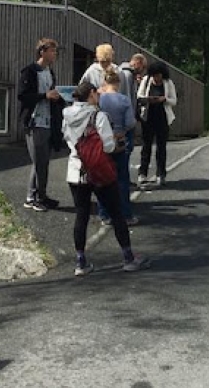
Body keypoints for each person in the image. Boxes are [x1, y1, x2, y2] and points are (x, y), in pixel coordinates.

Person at [62, 82, 149, 276]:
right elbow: (108, 147)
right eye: (98, 94)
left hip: (76, 171)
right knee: (116, 213)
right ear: (91, 94)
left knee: (81, 215)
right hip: (98, 171)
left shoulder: (66, 115)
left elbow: (67, 140)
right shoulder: (98, 116)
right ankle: (128, 258)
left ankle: (80, 262)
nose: (99, 97)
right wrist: (118, 143)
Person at [18, 38, 65, 212]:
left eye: (55, 51)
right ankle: (36, 198)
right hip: (34, 121)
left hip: (48, 122)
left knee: (43, 161)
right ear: (42, 52)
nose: (55, 54)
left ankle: (38, 196)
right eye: (52, 51)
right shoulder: (29, 71)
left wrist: (59, 97)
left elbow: (51, 94)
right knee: (39, 162)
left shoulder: (50, 73)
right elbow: (23, 96)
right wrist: (44, 95)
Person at [98, 70, 137, 225]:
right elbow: (130, 123)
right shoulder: (124, 100)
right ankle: (125, 214)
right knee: (122, 178)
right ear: (118, 83)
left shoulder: (99, 99)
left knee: (103, 178)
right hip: (120, 140)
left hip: (103, 141)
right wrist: (121, 132)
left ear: (104, 83)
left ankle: (104, 214)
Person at [137, 61, 177, 187]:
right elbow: (139, 95)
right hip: (148, 117)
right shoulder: (146, 80)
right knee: (146, 146)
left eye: (158, 75)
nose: (156, 78)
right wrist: (148, 99)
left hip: (162, 117)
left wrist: (164, 99)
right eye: (154, 75)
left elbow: (174, 101)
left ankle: (161, 174)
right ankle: (142, 173)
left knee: (161, 147)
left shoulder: (168, 83)